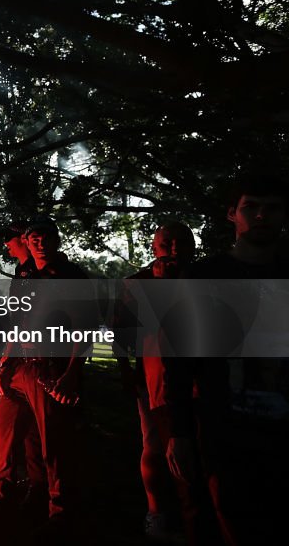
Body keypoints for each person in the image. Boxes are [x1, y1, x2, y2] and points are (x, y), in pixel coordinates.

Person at [160, 175, 287, 546]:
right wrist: (180, 433)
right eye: (251, 207)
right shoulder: (203, 276)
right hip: (225, 436)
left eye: (273, 207)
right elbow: (180, 362)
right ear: (233, 213)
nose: (261, 215)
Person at [0, 217, 90, 531]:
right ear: (28, 242)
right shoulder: (25, 275)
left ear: (56, 240)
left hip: (51, 367)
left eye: (46, 237)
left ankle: (58, 510)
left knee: (53, 443)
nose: (39, 243)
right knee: (1, 428)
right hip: (20, 367)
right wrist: (5, 365)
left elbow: (83, 329)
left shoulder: (71, 276)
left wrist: (71, 375)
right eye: (33, 238)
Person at [113, 223, 195, 541]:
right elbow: (121, 331)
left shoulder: (205, 278)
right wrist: (126, 371)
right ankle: (156, 510)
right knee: (155, 445)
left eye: (181, 242)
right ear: (154, 246)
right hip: (155, 377)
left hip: (199, 379)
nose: (174, 248)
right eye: (167, 242)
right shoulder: (137, 284)